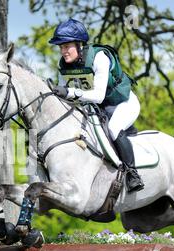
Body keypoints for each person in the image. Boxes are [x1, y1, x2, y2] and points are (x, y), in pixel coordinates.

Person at [49, 18, 144, 193]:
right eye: (60, 47)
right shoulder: (62, 64)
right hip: (98, 109)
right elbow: (66, 98)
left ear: (79, 44)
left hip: (123, 103)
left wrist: (69, 92)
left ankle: (133, 174)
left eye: (66, 46)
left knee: (114, 129)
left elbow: (98, 96)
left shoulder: (99, 57)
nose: (63, 51)